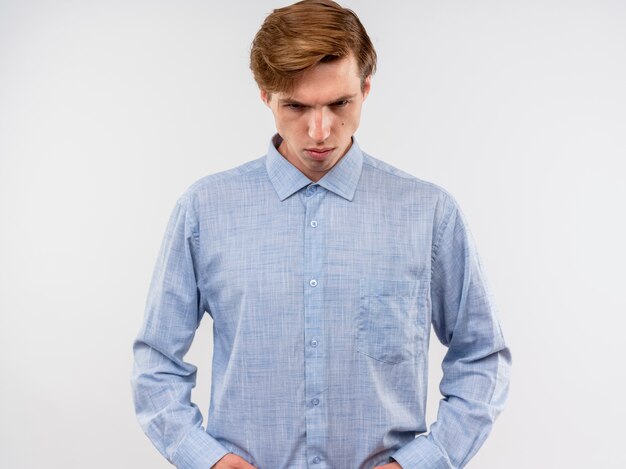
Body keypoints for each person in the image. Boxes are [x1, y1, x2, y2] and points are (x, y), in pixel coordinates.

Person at [131, 1, 512, 468]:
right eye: (295, 105)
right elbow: (155, 364)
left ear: (366, 88)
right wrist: (208, 460)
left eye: (339, 103)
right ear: (264, 95)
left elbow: (482, 358)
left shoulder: (429, 213)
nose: (319, 131)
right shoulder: (205, 211)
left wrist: (425, 461)